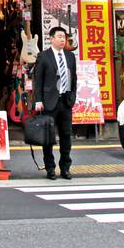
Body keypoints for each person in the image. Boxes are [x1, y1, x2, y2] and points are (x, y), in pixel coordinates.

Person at [33, 25, 76, 179]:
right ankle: (50, 168)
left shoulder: (70, 56)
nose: (62, 40)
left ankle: (65, 167)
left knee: (66, 135)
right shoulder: (44, 56)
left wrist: (72, 97)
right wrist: (38, 100)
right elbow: (38, 80)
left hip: (65, 101)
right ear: (51, 39)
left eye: (64, 37)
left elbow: (74, 78)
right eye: (59, 37)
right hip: (48, 102)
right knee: (48, 137)